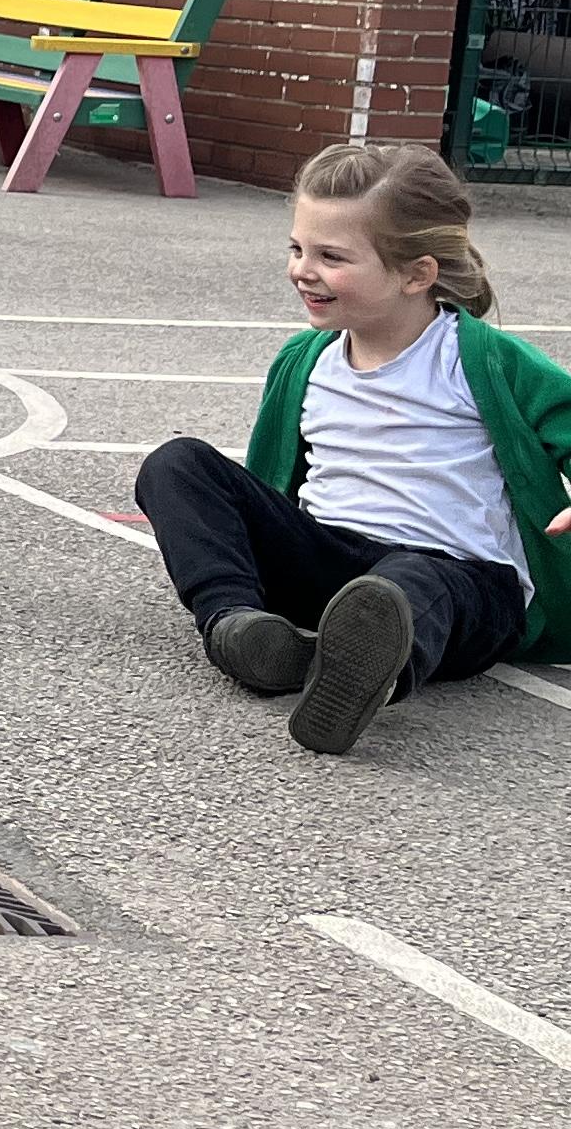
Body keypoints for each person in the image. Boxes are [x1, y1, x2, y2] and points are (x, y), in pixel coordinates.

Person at [134, 138, 571, 756]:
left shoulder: (481, 359)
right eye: (297, 249)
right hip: (334, 563)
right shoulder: (306, 359)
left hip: (461, 583)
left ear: (416, 274)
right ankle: (238, 627)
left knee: (407, 585)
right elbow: (271, 481)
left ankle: (365, 674)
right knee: (176, 464)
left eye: (331, 257)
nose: (303, 270)